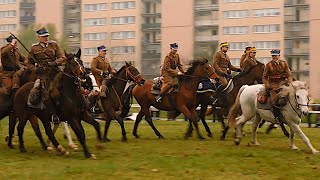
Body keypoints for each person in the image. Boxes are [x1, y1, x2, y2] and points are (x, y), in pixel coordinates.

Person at [27, 27, 66, 122]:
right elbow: (29, 63)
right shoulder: (34, 47)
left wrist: (55, 63)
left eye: (47, 36)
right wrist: (36, 69)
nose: (46, 38)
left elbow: (62, 57)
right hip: (43, 74)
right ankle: (52, 114)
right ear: (39, 37)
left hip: (55, 71)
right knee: (42, 90)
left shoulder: (54, 45)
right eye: (44, 36)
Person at [263, 49, 293, 122]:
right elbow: (264, 77)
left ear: (279, 56)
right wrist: (267, 85)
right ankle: (277, 116)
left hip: (283, 84)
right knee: (275, 101)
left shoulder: (283, 63)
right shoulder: (268, 65)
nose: (274, 57)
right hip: (273, 85)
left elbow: (289, 75)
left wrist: (289, 82)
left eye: (275, 56)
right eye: (273, 56)